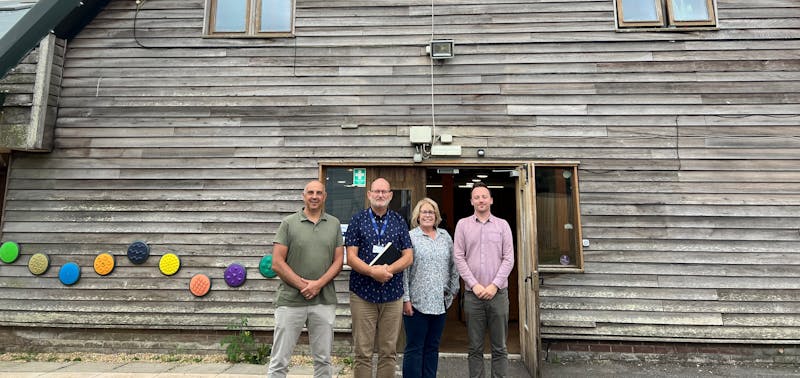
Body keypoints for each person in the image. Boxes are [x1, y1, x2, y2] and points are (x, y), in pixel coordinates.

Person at [267, 180, 344, 378]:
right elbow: (277, 262)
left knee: (323, 360)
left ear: (325, 197)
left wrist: (317, 285)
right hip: (290, 301)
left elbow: (338, 262)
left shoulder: (334, 224)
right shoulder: (288, 223)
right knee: (279, 360)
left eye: (319, 193)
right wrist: (304, 285)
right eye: (310, 192)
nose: (315, 196)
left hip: (323, 300)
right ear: (304, 196)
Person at [345, 177, 414, 378]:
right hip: (362, 294)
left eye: (384, 192)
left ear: (391, 195)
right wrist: (372, 271)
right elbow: (351, 257)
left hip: (392, 295)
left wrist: (387, 270)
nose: (380, 195)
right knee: (363, 352)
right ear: (369, 195)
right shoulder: (357, 220)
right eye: (376, 191)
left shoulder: (399, 221)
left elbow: (408, 256)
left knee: (388, 352)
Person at [453, 182, 515, 378]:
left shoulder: (502, 225)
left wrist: (494, 285)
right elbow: (458, 257)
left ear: (491, 200)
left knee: (500, 347)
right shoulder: (462, 225)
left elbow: (509, 258)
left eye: (484, 196)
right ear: (471, 201)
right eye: (476, 197)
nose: (481, 200)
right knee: (475, 348)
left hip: (498, 294)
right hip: (473, 295)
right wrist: (475, 285)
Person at [402, 198, 460, 378]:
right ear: (417, 216)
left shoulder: (445, 237)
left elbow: (454, 266)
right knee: (415, 348)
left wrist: (451, 291)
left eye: (431, 212)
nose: (428, 215)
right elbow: (404, 271)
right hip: (416, 304)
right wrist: (406, 299)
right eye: (424, 212)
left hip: (439, 303)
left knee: (432, 347)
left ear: (436, 216)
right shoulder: (410, 237)